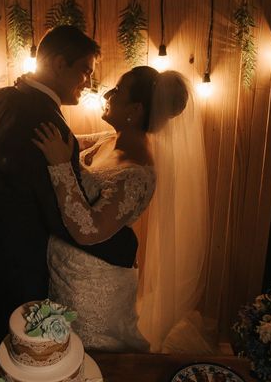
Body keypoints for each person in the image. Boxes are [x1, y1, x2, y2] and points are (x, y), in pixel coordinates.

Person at [0, 25, 139, 344]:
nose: (88, 83)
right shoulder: (50, 127)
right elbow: (63, 215)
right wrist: (123, 246)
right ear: (57, 64)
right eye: (84, 70)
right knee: (13, 351)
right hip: (14, 270)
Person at [33, 66, 208, 352]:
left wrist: (60, 166)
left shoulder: (137, 174)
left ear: (135, 109)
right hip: (65, 271)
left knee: (89, 354)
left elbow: (89, 230)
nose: (108, 94)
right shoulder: (108, 139)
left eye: (118, 90)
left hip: (92, 286)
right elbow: (64, 141)